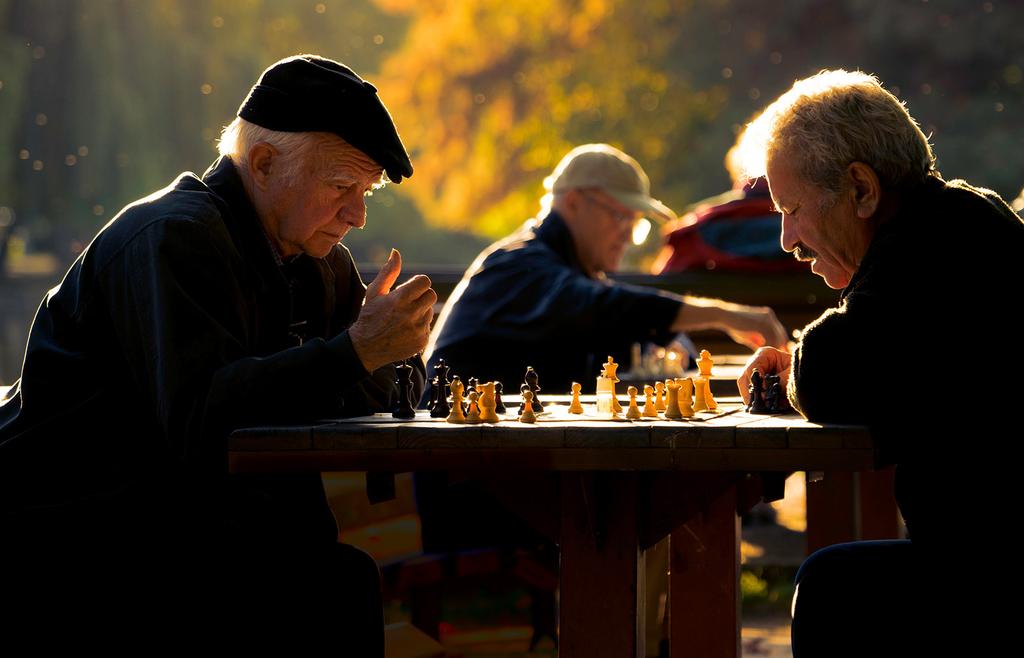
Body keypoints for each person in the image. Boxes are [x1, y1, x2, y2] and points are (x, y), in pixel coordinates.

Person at [0, 54, 435, 647]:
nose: (357, 216)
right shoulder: (175, 236)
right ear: (262, 163)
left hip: (189, 527)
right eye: (341, 187)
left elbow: (370, 387)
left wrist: (389, 350)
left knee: (336, 579)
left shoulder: (313, 255)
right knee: (329, 588)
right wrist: (357, 352)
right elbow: (201, 422)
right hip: (79, 530)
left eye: (365, 193)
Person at [734, 69, 1023, 655]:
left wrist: (798, 366)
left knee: (833, 589)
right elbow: (882, 352)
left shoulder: (932, 246)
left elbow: (832, 372)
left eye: (791, 209)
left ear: (862, 190)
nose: (787, 239)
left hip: (1001, 577)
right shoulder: (962, 220)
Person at [426, 143, 788, 398]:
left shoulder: (568, 268)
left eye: (636, 224)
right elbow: (598, 306)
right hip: (468, 470)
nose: (628, 237)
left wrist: (672, 343)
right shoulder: (518, 265)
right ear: (573, 202)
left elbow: (622, 324)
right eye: (620, 217)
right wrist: (725, 315)